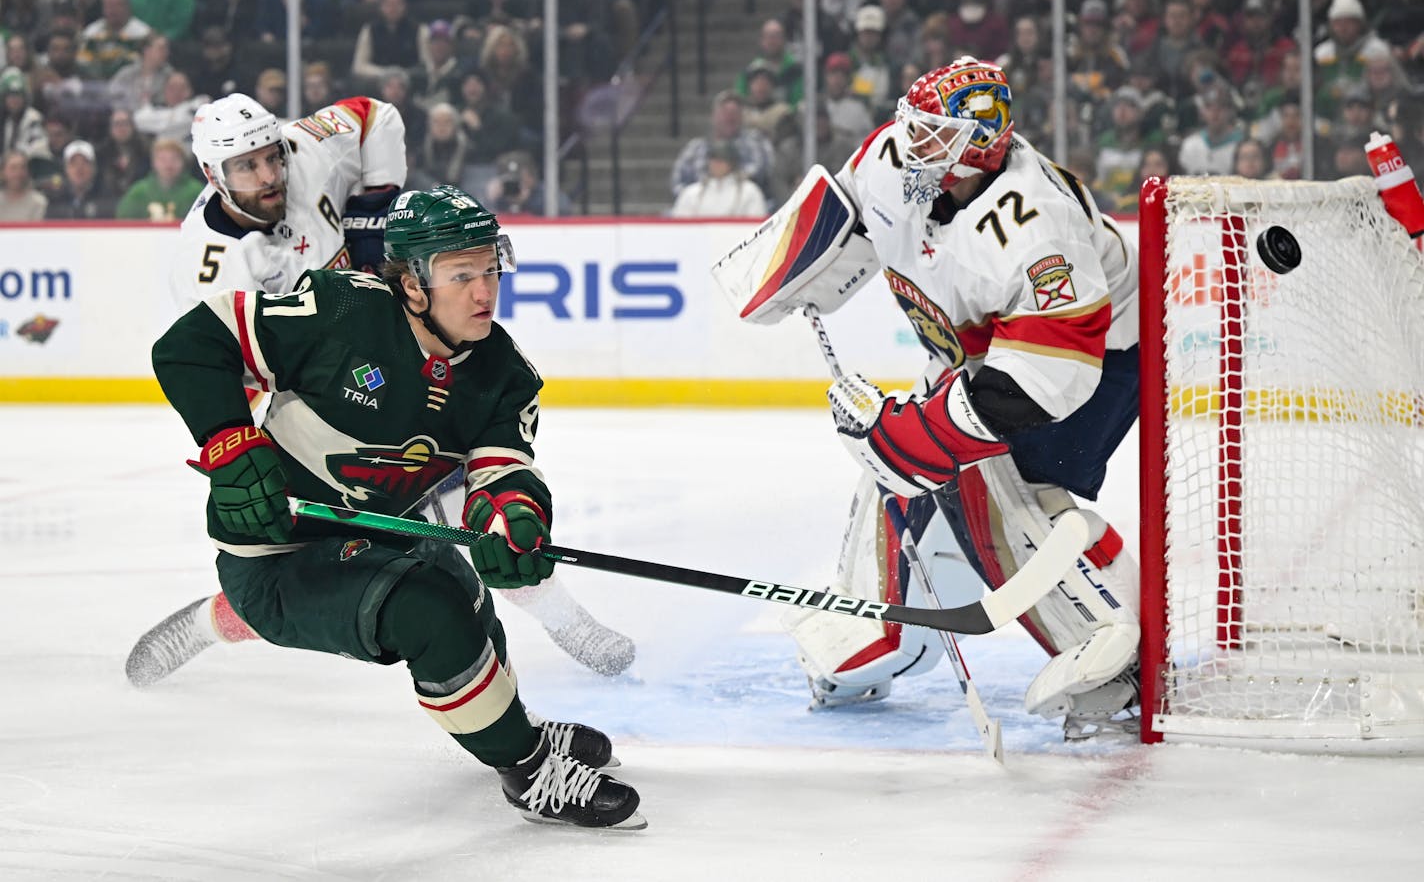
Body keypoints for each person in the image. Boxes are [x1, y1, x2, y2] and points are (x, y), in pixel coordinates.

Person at [149, 183, 645, 830]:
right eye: (460, 273)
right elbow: (193, 343)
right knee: (429, 611)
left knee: (465, 590)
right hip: (276, 556)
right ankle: (527, 771)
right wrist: (228, 440)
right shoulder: (341, 314)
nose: (483, 291)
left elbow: (503, 470)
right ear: (412, 282)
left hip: (379, 534)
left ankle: (509, 726)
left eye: (488, 269)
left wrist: (511, 518)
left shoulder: (502, 371)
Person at [126, 92, 635, 686]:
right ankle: (216, 621)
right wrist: (242, 446)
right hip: (331, 399)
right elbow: (219, 366)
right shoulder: (206, 266)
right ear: (213, 176)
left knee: (480, 516)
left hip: (406, 336)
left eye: (270, 157)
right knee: (314, 572)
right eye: (246, 168)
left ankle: (561, 619)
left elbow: (373, 115)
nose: (268, 175)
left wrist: (375, 208)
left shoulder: (308, 147)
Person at [717, 57, 1142, 740]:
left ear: (980, 144)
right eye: (912, 124)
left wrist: (912, 437)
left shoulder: (1036, 232)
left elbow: (1036, 383)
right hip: (978, 350)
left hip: (1098, 357)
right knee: (899, 470)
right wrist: (793, 271)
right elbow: (849, 216)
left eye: (932, 134)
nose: (908, 141)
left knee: (990, 487)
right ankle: (883, 631)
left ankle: (1109, 651)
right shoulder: (899, 158)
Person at [115, 136, 204, 220]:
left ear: (183, 162)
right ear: (153, 162)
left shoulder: (197, 192)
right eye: (162, 159)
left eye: (174, 159)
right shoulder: (139, 192)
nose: (168, 165)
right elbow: (123, 221)